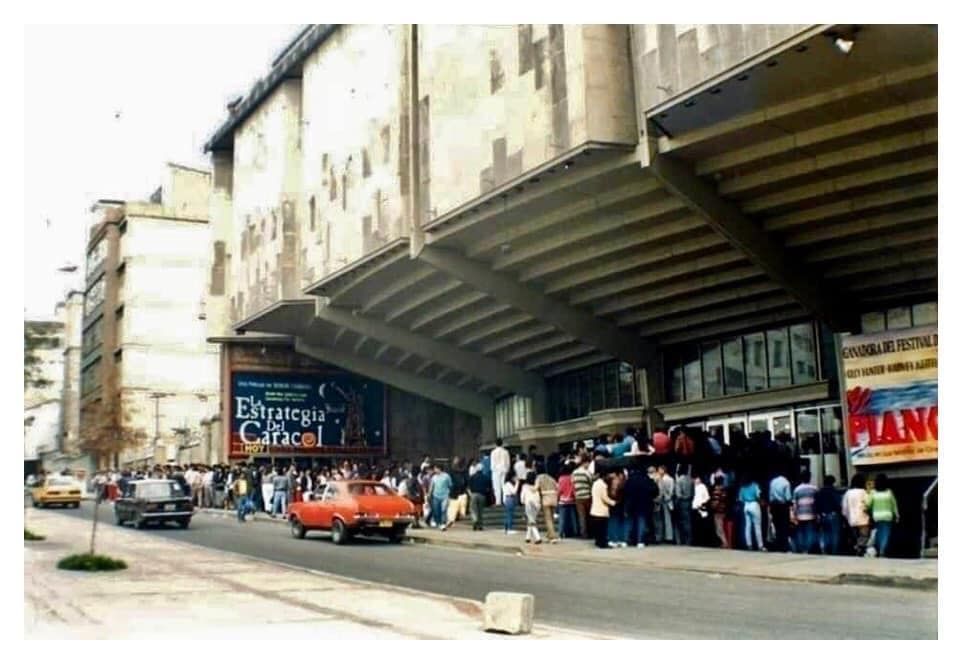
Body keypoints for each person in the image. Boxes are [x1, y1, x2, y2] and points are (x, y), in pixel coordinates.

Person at [624, 465, 658, 548]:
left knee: (630, 523)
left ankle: (627, 540)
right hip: (644, 504)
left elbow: (625, 491)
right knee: (641, 522)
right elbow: (655, 491)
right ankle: (640, 541)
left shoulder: (630, 480)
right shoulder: (647, 480)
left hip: (631, 504)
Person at [866, 474, 899, 558]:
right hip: (887, 516)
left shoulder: (873, 493)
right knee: (885, 535)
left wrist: (867, 509)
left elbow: (868, 504)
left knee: (879, 534)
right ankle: (882, 551)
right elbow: (894, 505)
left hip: (877, 516)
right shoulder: (889, 492)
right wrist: (897, 515)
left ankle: (880, 549)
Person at [815, 475, 844, 555]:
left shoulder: (819, 492)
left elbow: (816, 505)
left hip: (823, 516)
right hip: (833, 515)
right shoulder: (834, 491)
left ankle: (826, 551)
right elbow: (838, 504)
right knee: (835, 534)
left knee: (825, 534)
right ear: (832, 482)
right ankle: (834, 552)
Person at [792, 470, 818, 553]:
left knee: (801, 533)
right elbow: (817, 503)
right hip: (811, 514)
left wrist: (794, 515)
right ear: (809, 478)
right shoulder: (814, 489)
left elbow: (795, 504)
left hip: (800, 515)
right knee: (810, 533)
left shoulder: (797, 489)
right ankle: (808, 549)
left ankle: (802, 549)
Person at [768, 469, 793, 552]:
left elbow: (770, 495)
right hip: (783, 506)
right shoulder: (786, 482)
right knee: (784, 526)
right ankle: (784, 546)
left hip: (774, 506)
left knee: (776, 525)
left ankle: (777, 544)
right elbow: (788, 497)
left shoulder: (773, 481)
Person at [738, 475, 765, 551]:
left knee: (747, 526)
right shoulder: (755, 485)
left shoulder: (742, 487)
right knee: (757, 526)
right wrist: (762, 502)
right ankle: (760, 545)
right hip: (754, 504)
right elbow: (758, 495)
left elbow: (740, 499)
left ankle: (749, 545)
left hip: (746, 505)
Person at [590, 473, 617, 548]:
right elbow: (604, 498)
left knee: (597, 528)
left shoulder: (595, 483)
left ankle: (598, 541)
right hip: (602, 510)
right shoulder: (603, 485)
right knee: (603, 529)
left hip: (595, 509)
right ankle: (602, 543)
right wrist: (613, 503)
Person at [535, 467, 559, 543]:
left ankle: (553, 536)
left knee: (548, 519)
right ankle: (549, 534)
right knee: (551, 518)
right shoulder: (551, 478)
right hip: (554, 497)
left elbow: (536, 488)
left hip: (546, 498)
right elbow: (557, 487)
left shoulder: (539, 478)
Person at [572, 457, 593, 539]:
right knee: (588, 516)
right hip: (587, 496)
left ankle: (583, 534)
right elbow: (590, 481)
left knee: (581, 516)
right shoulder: (586, 472)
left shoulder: (574, 472)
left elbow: (572, 483)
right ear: (585, 463)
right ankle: (590, 533)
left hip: (578, 497)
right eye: (588, 463)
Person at [428, 464, 453, 531]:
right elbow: (431, 486)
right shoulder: (434, 477)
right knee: (437, 511)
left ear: (439, 469)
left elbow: (450, 485)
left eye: (435, 468)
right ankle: (438, 523)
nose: (434, 470)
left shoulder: (446, 476)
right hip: (435, 496)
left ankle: (443, 524)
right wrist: (429, 494)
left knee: (443, 510)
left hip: (445, 496)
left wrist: (449, 494)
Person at [520, 473, 543, 544]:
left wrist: (522, 501)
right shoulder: (536, 486)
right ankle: (528, 537)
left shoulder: (525, 486)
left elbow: (522, 497)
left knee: (531, 521)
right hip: (537, 505)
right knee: (531, 520)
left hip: (529, 504)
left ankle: (537, 537)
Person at [446, 457, 468, 529]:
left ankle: (454, 518)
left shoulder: (463, 471)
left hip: (459, 490)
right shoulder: (452, 471)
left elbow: (465, 480)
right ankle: (452, 519)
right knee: (453, 506)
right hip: (455, 491)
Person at [655, 465, 675, 544]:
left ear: (663, 470)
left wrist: (667, 496)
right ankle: (662, 536)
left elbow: (671, 491)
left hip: (666, 501)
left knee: (667, 519)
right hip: (661, 500)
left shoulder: (669, 479)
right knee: (661, 519)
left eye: (659, 470)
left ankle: (668, 537)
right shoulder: (659, 479)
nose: (658, 471)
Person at [557, 465, 578, 538]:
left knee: (562, 519)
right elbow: (573, 489)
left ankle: (560, 533)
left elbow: (559, 490)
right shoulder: (571, 478)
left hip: (563, 501)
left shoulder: (561, 479)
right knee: (573, 518)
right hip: (571, 500)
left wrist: (558, 497)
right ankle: (575, 532)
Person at [674, 465, 694, 545]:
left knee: (682, 521)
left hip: (682, 501)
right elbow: (693, 492)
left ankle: (682, 540)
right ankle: (689, 539)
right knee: (688, 521)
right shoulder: (691, 480)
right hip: (689, 501)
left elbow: (678, 494)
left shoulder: (679, 480)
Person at [710, 475, 730, 548]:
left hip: (718, 510)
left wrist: (713, 506)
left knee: (719, 528)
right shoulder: (724, 490)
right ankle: (723, 542)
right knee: (720, 527)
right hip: (722, 510)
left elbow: (716, 500)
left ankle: (724, 542)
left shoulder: (717, 489)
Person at [691, 474, 712, 545]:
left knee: (702, 525)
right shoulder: (693, 487)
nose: (695, 480)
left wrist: (703, 504)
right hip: (694, 508)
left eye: (697, 479)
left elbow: (707, 497)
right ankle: (696, 541)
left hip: (701, 508)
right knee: (696, 526)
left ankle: (702, 541)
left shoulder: (703, 486)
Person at [490, 439, 510, 506]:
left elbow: (492, 463)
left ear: (495, 444)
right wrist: (507, 470)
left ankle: (498, 501)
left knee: (496, 487)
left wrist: (494, 469)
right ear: (502, 443)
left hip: (496, 471)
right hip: (504, 470)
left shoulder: (493, 452)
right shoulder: (506, 452)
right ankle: (505, 501)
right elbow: (508, 463)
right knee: (504, 486)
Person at [467, 466, 488, 531]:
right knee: (480, 511)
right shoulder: (486, 477)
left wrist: (470, 494)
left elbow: (468, 487)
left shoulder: (472, 477)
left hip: (474, 494)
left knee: (473, 509)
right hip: (482, 495)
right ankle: (480, 526)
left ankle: (475, 519)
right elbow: (488, 487)